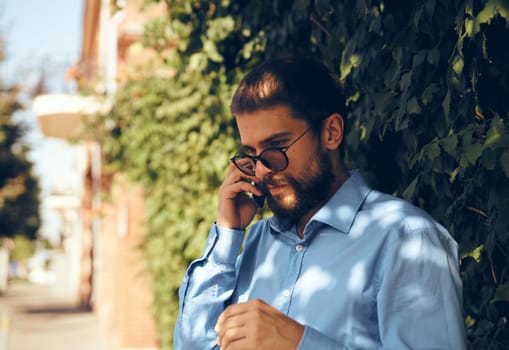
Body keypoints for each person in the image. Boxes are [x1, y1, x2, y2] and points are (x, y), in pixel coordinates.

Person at [174, 55, 466, 349]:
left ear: (331, 132)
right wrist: (226, 236)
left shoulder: (407, 238)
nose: (262, 169)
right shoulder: (258, 241)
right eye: (251, 153)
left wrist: (298, 342)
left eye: (276, 147)